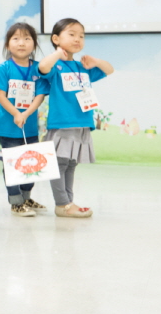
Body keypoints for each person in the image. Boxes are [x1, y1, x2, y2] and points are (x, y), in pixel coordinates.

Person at [38, 17, 115, 218]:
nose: (77, 39)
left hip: (82, 123)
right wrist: (57, 54)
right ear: (56, 38)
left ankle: (68, 202)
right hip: (62, 123)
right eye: (71, 34)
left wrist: (96, 62)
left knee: (71, 164)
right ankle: (62, 204)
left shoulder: (82, 67)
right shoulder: (55, 65)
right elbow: (43, 68)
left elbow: (109, 69)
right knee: (58, 164)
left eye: (81, 36)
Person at [0, 22, 50, 217]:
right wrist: (17, 114)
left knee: (30, 164)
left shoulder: (38, 69)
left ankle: (26, 197)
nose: (21, 43)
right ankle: (15, 202)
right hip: (9, 127)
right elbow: (1, 96)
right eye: (15, 38)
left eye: (27, 38)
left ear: (34, 44)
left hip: (30, 126)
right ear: (8, 44)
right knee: (12, 164)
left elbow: (39, 95)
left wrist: (25, 114)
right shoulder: (4, 68)